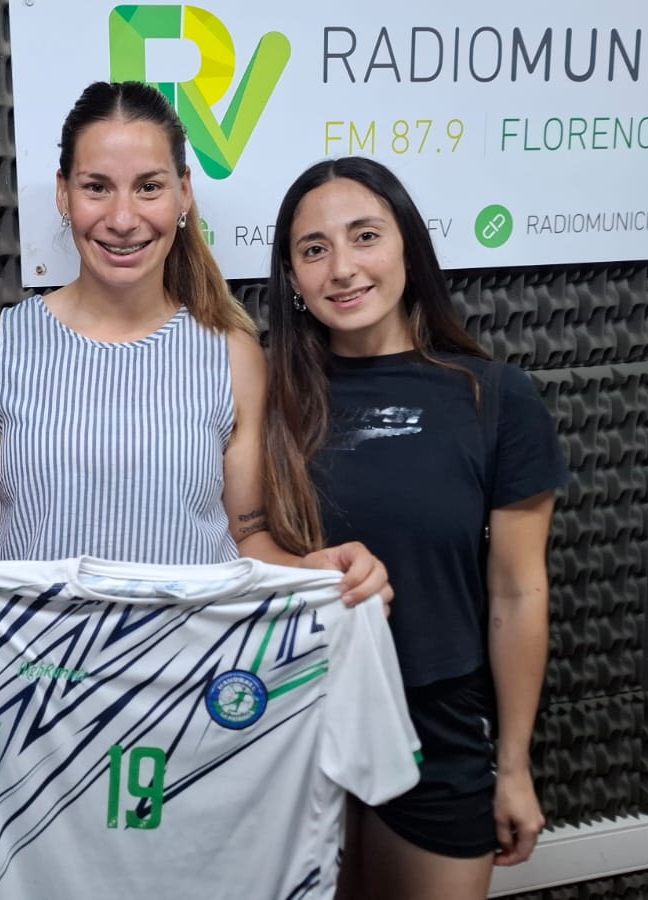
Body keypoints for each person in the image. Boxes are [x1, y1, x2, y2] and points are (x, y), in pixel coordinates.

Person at [0, 80, 392, 605]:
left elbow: (249, 538)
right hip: (44, 657)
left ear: (183, 192)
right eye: (97, 187)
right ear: (63, 193)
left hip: (194, 654)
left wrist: (314, 572)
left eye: (148, 187)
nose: (122, 219)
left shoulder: (232, 355)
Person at [260, 156, 569, 899]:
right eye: (314, 249)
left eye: (365, 236)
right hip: (291, 719)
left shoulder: (495, 397)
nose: (342, 268)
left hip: (437, 726)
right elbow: (232, 545)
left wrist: (513, 767)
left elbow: (518, 593)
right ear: (292, 277)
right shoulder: (265, 397)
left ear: (408, 247)